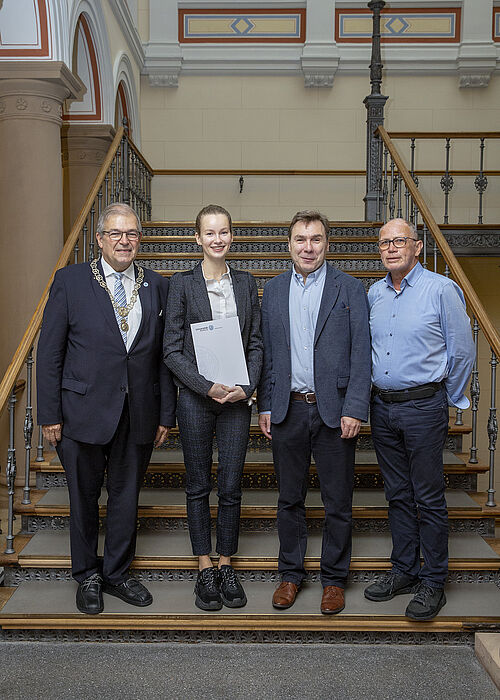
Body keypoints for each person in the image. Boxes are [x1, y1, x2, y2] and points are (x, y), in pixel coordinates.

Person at [37, 202, 177, 614]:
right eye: (115, 233)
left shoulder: (157, 285)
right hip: (80, 412)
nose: (124, 241)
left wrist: (165, 414)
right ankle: (87, 575)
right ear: (99, 239)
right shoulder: (71, 281)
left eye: (131, 234)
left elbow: (163, 357)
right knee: (82, 498)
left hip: (138, 413)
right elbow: (50, 354)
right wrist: (49, 415)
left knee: (125, 496)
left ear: (140, 239)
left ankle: (116, 572)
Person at [257, 210, 371, 614]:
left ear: (327, 243)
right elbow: (269, 353)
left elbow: (361, 354)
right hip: (288, 409)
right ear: (289, 244)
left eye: (316, 239)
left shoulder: (350, 289)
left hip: (335, 413)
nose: (308, 247)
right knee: (289, 499)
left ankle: (334, 580)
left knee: (337, 502)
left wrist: (356, 406)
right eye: (301, 240)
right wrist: (266, 403)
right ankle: (290, 575)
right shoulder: (271, 291)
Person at [364, 218, 475, 620]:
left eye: (400, 241)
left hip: (424, 407)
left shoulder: (441, 289)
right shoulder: (374, 293)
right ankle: (405, 570)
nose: (391, 248)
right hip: (383, 406)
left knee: (428, 497)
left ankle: (434, 581)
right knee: (396, 494)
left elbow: (462, 351)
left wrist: (445, 398)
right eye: (384, 243)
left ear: (417, 247)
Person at [163, 204, 263, 611]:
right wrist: (207, 387)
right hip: (197, 400)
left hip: (237, 401)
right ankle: (203, 565)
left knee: (232, 485)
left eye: (224, 232)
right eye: (210, 233)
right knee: (198, 484)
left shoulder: (245, 282)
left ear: (231, 237)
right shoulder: (182, 284)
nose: (217, 239)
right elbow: (171, 351)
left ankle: (226, 563)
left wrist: (247, 386)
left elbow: (255, 342)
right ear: (198, 239)